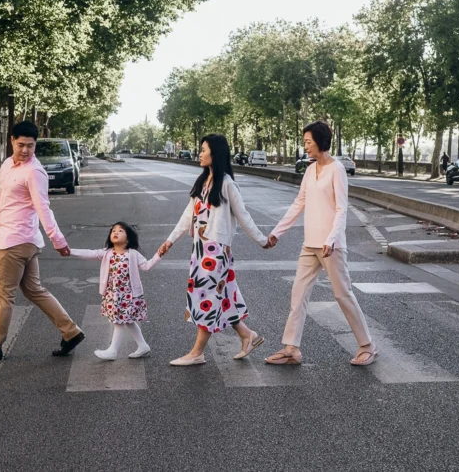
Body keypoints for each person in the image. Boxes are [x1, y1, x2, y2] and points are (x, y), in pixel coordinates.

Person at [0, 120, 85, 361]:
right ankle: (71, 332)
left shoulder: (35, 172)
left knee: (5, 294)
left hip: (16, 241)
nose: (25, 151)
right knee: (34, 290)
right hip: (16, 238)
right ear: (11, 141)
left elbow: (44, 208)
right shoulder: (8, 165)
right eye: (21, 145)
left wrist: (57, 239)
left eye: (30, 146)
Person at [264, 121, 377, 367]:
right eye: (304, 142)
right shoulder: (309, 170)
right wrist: (276, 233)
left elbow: (341, 208)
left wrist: (332, 239)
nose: (305, 146)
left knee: (342, 294)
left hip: (330, 245)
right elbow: (298, 203)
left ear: (320, 141)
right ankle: (291, 348)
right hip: (310, 244)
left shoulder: (336, 169)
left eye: (308, 142)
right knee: (298, 294)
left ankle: (367, 345)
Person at [157, 134, 269, 366]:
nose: (200, 153)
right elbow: (188, 215)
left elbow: (244, 216)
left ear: (215, 153)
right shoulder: (202, 182)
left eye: (204, 149)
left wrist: (263, 240)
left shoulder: (227, 184)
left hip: (215, 252)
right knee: (224, 297)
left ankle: (197, 352)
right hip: (200, 249)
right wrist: (169, 241)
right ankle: (247, 335)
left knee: (206, 297)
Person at [70, 222, 161, 360]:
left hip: (130, 296)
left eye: (120, 231)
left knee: (119, 321)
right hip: (114, 295)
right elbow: (89, 253)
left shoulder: (133, 254)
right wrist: (70, 251)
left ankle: (112, 351)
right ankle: (143, 346)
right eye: (113, 231)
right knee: (128, 321)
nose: (115, 232)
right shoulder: (107, 253)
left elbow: (147, 266)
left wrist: (159, 254)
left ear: (128, 238)